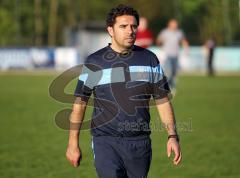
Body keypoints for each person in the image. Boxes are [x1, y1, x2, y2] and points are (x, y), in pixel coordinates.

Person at [66, 4, 181, 178]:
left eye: (134, 26)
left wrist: (172, 136)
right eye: (123, 26)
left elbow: (162, 101)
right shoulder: (95, 62)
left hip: (140, 143)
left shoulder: (149, 59)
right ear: (110, 30)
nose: (130, 31)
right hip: (105, 142)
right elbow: (80, 104)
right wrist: (72, 143)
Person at [156, 19, 188, 91]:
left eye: (176, 24)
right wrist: (161, 45)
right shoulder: (165, 32)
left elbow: (183, 41)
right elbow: (158, 41)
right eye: (173, 24)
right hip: (167, 55)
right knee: (169, 71)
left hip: (176, 55)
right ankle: (167, 86)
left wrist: (186, 48)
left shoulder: (179, 33)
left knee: (174, 72)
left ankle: (172, 86)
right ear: (169, 24)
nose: (175, 25)